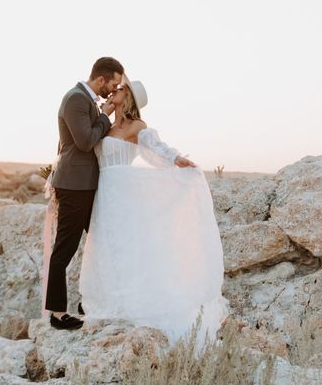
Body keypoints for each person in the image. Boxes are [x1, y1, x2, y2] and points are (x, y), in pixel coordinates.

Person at [78, 75, 229, 345]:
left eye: (120, 89)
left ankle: (138, 309)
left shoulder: (138, 126)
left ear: (130, 98)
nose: (114, 91)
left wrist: (176, 158)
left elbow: (156, 146)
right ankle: (113, 304)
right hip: (106, 194)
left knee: (129, 247)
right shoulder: (105, 126)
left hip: (125, 193)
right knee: (107, 247)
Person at [44, 56, 124, 330]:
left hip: (87, 184)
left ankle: (89, 300)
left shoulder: (86, 100)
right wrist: (106, 116)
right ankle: (56, 313)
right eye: (112, 84)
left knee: (100, 241)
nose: (113, 91)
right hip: (74, 185)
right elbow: (86, 141)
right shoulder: (76, 99)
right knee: (65, 248)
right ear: (101, 79)